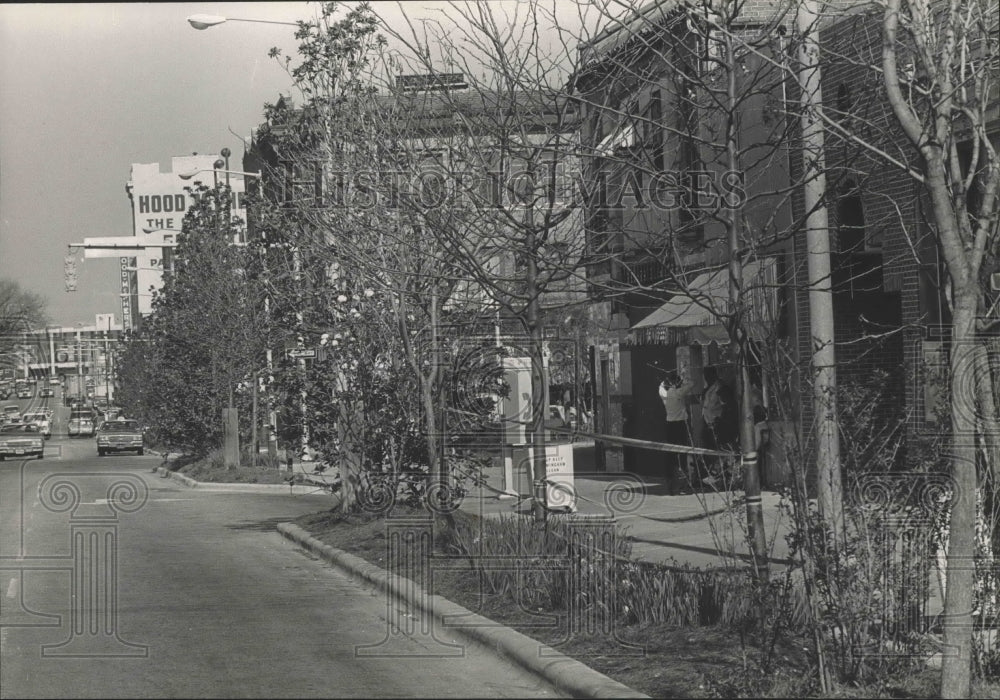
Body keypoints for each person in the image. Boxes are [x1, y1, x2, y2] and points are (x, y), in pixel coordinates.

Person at [659, 369, 694, 495]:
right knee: (683, 453)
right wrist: (682, 379)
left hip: (670, 425)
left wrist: (665, 381)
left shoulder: (664, 394)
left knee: (671, 455)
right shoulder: (679, 392)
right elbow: (691, 385)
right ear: (676, 383)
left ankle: (671, 486)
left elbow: (661, 387)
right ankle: (684, 485)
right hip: (681, 425)